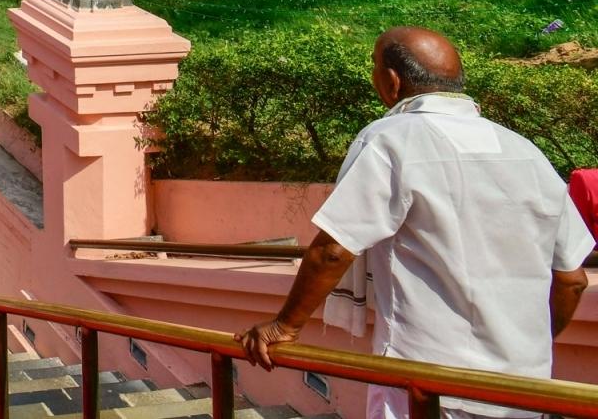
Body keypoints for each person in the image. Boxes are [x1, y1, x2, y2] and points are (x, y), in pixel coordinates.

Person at [237, 28, 593, 419]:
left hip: (425, 384)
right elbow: (572, 279)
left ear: (392, 81)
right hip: (522, 391)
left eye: (374, 66)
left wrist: (284, 327)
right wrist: (527, 348)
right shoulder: (525, 151)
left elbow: (334, 250)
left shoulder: (391, 139)